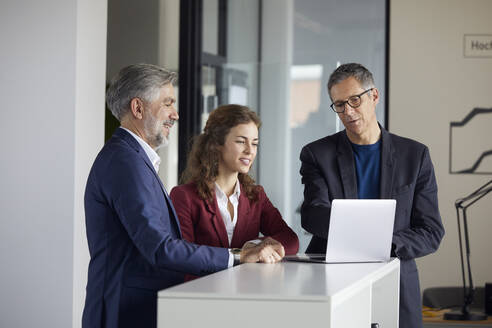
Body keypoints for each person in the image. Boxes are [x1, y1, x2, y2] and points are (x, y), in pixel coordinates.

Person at [83, 64, 285, 328]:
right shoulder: (125, 162)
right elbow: (160, 247)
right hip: (124, 313)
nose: (175, 115)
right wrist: (236, 256)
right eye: (167, 104)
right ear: (138, 108)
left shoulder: (132, 158)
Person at [299, 63, 444, 328]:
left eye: (355, 100)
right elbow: (312, 214)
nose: (348, 111)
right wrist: (366, 235)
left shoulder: (415, 156)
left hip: (396, 281)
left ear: (374, 96)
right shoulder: (316, 154)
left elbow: (431, 231)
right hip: (334, 285)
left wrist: (382, 243)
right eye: (339, 104)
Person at [170, 105, 299, 266]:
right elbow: (182, 256)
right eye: (241, 141)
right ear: (217, 143)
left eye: (254, 143)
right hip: (201, 289)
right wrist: (240, 254)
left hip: (245, 288)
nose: (249, 151)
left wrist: (256, 245)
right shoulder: (183, 196)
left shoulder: (256, 195)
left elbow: (291, 240)